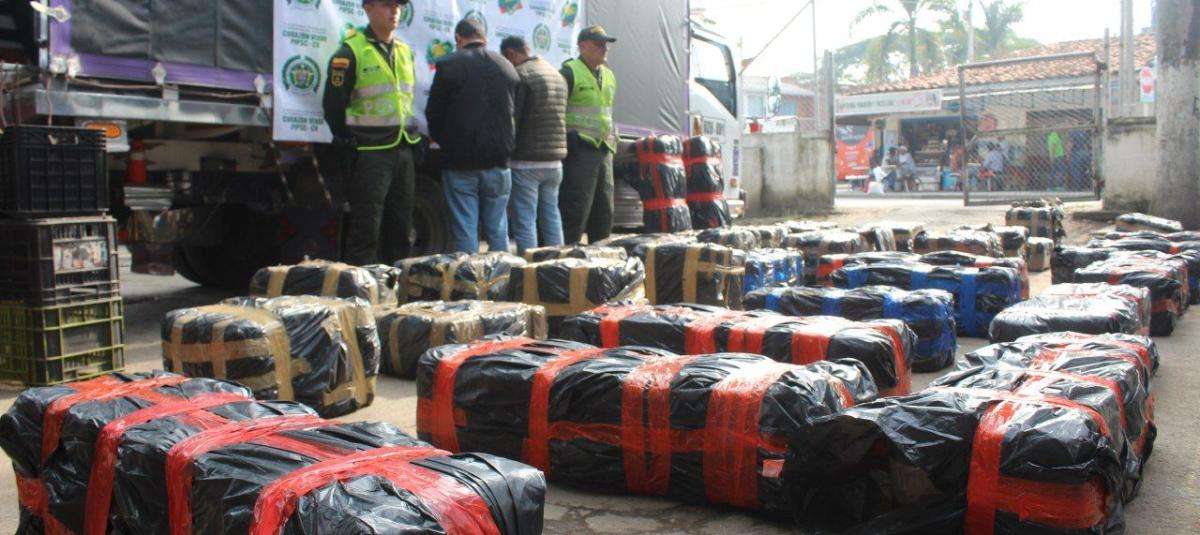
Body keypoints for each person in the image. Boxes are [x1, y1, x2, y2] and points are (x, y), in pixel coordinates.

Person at [322, 0, 419, 265]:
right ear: (368, 8)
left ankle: (395, 282)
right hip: (370, 152)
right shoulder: (351, 52)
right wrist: (351, 139)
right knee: (367, 228)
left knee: (401, 227)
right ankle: (361, 286)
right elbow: (333, 106)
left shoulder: (404, 51)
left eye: (397, 6)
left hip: (403, 149)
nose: (394, 11)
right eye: (387, 5)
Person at [426, 19, 520, 253]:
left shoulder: (448, 65)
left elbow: (434, 113)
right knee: (498, 228)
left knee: (466, 226)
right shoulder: (507, 66)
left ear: (458, 38)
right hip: (499, 160)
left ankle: (470, 274)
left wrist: (443, 141)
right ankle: (503, 274)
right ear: (484, 38)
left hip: (461, 161)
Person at [500, 36, 568, 255]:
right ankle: (558, 264)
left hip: (527, 162)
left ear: (511, 54)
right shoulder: (556, 74)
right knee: (551, 216)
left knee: (525, 220)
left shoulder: (522, 75)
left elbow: (514, 120)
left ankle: (529, 269)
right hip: (555, 161)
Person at [559, 25, 618, 245]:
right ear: (583, 46)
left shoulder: (609, 75)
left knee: (604, 211)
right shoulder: (569, 72)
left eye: (606, 45)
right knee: (576, 209)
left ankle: (601, 257)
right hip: (579, 150)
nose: (605, 49)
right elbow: (557, 112)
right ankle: (567, 256)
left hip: (604, 149)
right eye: (599, 44)